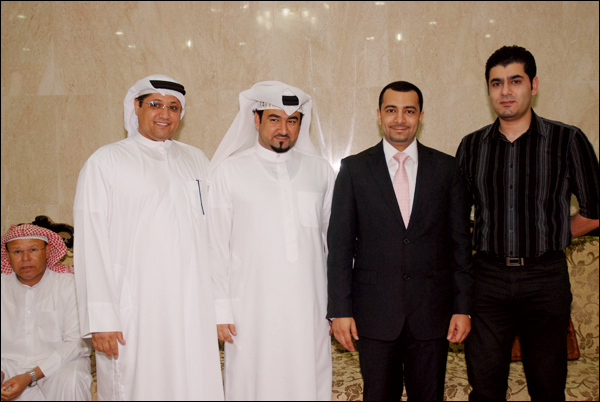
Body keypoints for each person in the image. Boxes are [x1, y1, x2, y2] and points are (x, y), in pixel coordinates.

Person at [456, 45, 600, 401]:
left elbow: (595, 211)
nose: (505, 91)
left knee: (547, 387)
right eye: (496, 83)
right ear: (488, 90)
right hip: (487, 281)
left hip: (545, 279)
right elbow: (456, 219)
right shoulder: (471, 146)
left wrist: (552, 234)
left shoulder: (568, 140)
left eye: (515, 81)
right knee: (485, 388)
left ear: (533, 85)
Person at [73, 75, 224, 400]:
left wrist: (219, 304)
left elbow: (213, 235)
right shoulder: (106, 161)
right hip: (134, 309)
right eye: (155, 104)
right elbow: (91, 245)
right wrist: (101, 318)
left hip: (192, 305)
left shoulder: (197, 159)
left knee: (194, 382)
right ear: (136, 107)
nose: (164, 114)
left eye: (173, 107)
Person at [328, 81, 474, 401]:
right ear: (379, 115)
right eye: (391, 110)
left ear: (421, 116)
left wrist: (463, 308)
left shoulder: (447, 169)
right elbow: (339, 247)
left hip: (432, 315)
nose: (400, 119)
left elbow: (460, 245)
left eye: (409, 111)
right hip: (374, 315)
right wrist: (339, 311)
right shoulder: (354, 170)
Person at [208, 81, 334, 400]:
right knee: (254, 383)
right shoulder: (229, 172)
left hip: (309, 307)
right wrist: (220, 309)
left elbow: (333, 243)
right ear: (256, 120)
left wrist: (337, 306)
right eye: (274, 119)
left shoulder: (320, 171)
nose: (283, 129)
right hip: (250, 309)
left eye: (292, 121)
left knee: (308, 379)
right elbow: (215, 246)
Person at [1, 224, 92, 401]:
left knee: (72, 380)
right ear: (8, 255)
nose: (25, 258)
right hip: (8, 366)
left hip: (58, 366)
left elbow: (76, 343)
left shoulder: (69, 285)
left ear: (48, 251)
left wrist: (30, 376)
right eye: (17, 252)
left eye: (33, 250)